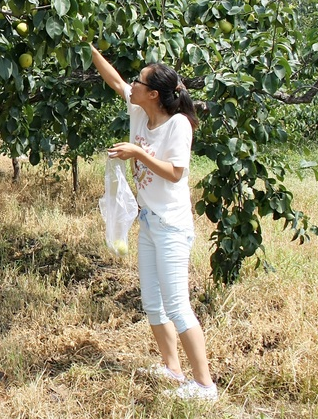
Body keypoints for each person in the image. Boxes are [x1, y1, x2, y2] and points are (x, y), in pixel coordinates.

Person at [89, 44, 218, 402]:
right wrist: (87, 48)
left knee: (177, 305)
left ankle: (205, 386)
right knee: (152, 302)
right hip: (148, 222)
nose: (132, 84)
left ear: (154, 94)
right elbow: (115, 81)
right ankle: (172, 368)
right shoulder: (137, 110)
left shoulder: (177, 125)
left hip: (173, 225)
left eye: (139, 81)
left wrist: (138, 152)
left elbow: (176, 173)